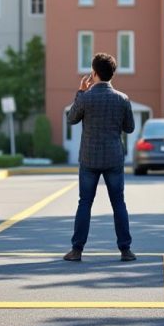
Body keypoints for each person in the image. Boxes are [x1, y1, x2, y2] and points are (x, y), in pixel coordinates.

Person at [63, 52, 136, 262]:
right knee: (118, 203)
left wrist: (80, 91)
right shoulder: (122, 99)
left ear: (93, 73)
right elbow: (129, 128)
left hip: (89, 159)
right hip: (114, 158)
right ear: (112, 74)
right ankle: (126, 250)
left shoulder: (86, 98)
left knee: (84, 202)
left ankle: (77, 250)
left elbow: (72, 119)